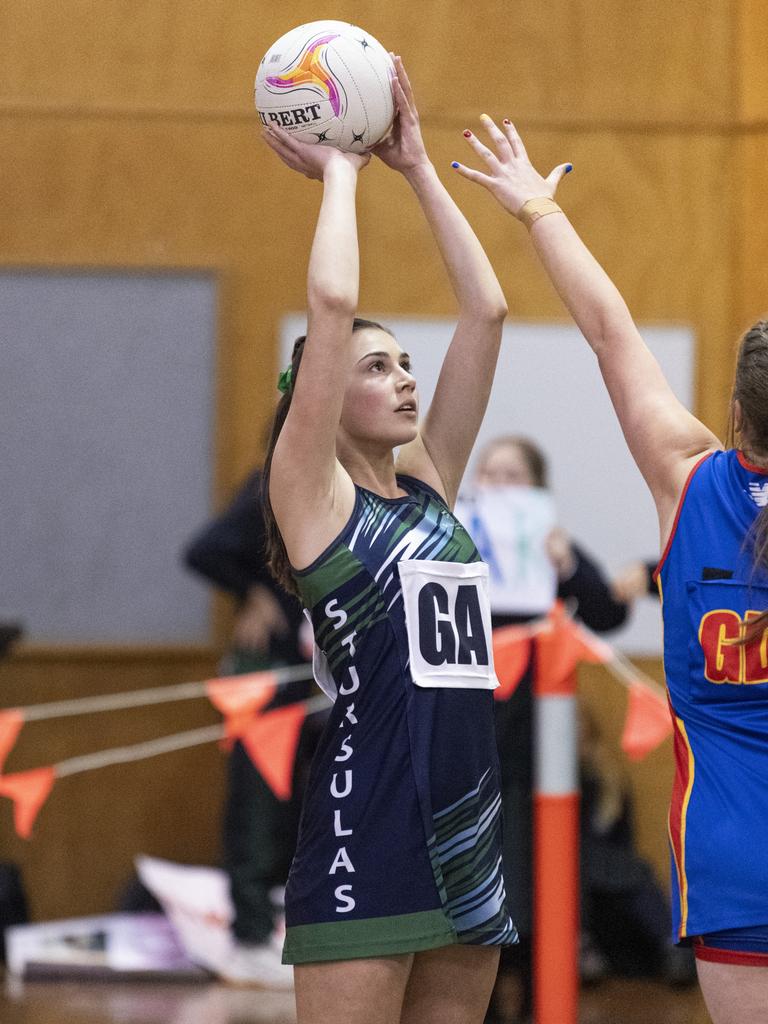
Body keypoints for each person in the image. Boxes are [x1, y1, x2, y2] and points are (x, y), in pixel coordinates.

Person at [453, 116, 768, 1024]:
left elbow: (608, 332)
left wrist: (540, 210)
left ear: (737, 411)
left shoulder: (689, 480)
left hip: (732, 855)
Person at [260, 58, 515, 1024]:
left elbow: (485, 311)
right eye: (379, 367)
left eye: (408, 363)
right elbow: (330, 306)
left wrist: (415, 165)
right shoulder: (312, 496)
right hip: (366, 824)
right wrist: (340, 173)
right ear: (324, 399)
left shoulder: (430, 487)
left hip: (469, 827)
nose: (407, 379)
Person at [460, 435, 630, 1022]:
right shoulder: (452, 543)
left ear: (535, 489)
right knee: (471, 865)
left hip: (537, 740)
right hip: (466, 731)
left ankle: (540, 997)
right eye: (488, 473)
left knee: (536, 868)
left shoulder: (550, 549)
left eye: (511, 475)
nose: (497, 485)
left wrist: (569, 564)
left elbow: (609, 612)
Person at [184, 468, 317, 989]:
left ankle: (279, 927)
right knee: (256, 802)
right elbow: (206, 549)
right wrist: (257, 593)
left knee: (294, 805)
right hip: (264, 671)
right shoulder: (276, 480)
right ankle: (248, 936)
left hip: (309, 674)